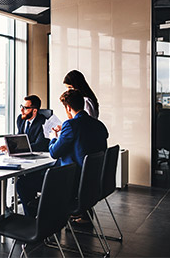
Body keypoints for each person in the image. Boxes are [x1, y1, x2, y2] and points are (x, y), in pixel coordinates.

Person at [17, 89, 108, 218]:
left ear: (68, 107)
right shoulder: (99, 125)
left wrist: (54, 137)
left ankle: (33, 223)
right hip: (92, 182)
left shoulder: (70, 125)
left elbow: (54, 152)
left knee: (22, 183)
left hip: (71, 182)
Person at [0, 95, 50, 217]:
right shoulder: (20, 119)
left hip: (37, 158)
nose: (21, 110)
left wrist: (18, 147)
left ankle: (31, 214)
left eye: (25, 108)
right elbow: (19, 138)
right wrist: (9, 146)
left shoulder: (43, 122)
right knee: (1, 170)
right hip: (21, 155)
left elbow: (40, 144)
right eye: (22, 106)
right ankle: (1, 206)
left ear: (34, 110)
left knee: (23, 182)